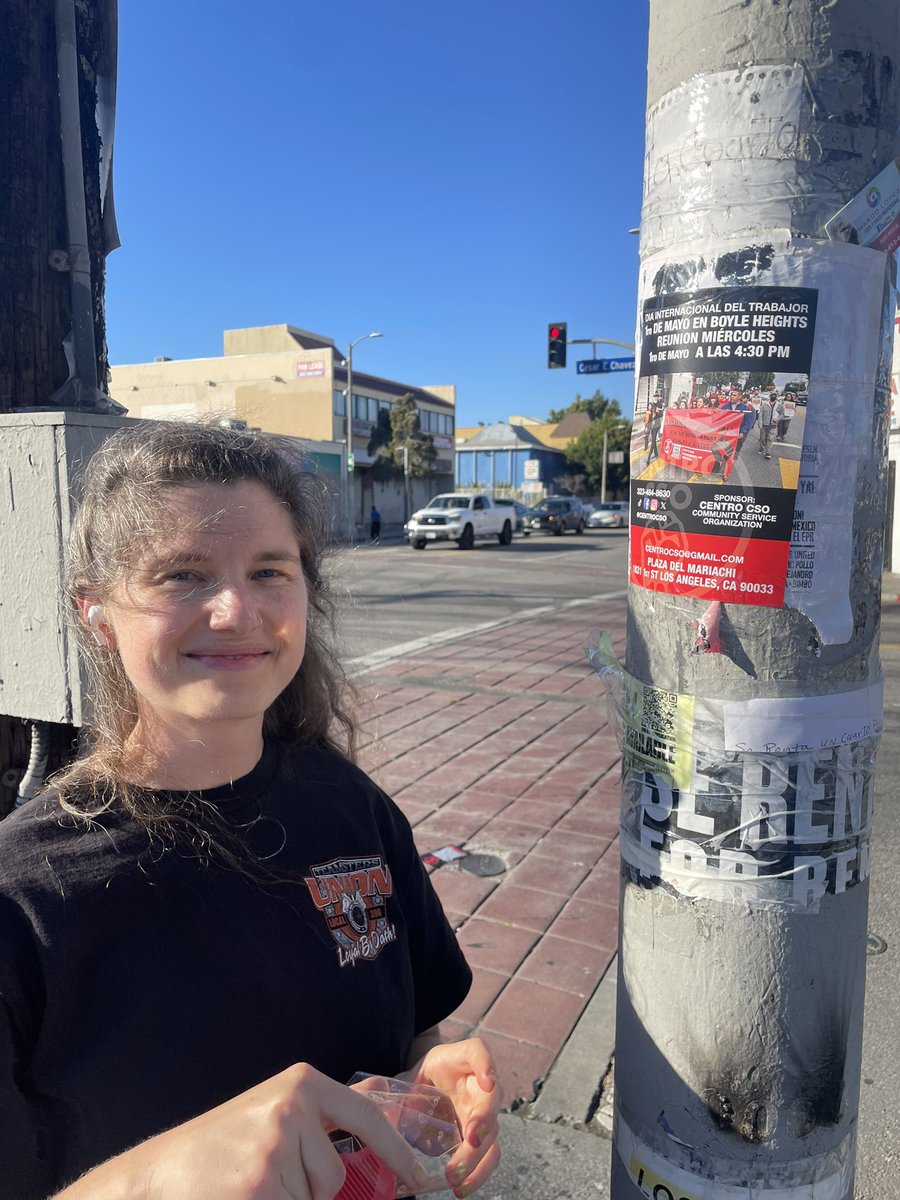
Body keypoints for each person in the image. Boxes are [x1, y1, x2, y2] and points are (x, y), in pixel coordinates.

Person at [0, 421, 501, 1200]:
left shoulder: (353, 809)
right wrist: (162, 1176)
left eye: (270, 571)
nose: (236, 611)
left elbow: (413, 1037)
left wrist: (424, 1086)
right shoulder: (24, 896)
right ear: (96, 611)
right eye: (181, 576)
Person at [758, 392, 779, 459]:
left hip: (773, 425)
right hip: (764, 425)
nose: (773, 397)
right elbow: (760, 415)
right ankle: (762, 447)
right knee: (762, 438)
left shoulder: (779, 405)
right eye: (772, 396)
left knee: (770, 438)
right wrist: (760, 424)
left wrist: (778, 419)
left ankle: (768, 452)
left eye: (775, 396)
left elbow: (782, 414)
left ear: (776, 397)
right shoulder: (764, 405)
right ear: (769, 397)